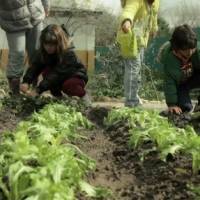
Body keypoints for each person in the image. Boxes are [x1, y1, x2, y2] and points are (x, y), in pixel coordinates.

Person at [20, 24, 90, 104]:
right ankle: (59, 100)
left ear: (59, 42)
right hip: (58, 76)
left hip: (76, 76)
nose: (48, 47)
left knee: (68, 84)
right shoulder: (43, 52)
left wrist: (38, 90)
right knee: (47, 72)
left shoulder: (68, 54)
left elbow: (57, 74)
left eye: (52, 44)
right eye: (45, 44)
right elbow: (35, 66)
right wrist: (26, 82)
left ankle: (85, 98)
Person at [0, 0, 50, 95]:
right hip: (13, 20)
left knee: (37, 53)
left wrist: (46, 5)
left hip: (35, 14)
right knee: (18, 53)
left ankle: (37, 90)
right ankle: (15, 93)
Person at [118, 0, 160, 107]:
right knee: (133, 69)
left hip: (141, 40)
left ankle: (134, 96)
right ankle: (131, 101)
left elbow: (154, 14)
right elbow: (129, 10)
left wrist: (154, 28)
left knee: (137, 68)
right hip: (130, 39)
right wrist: (126, 21)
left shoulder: (156, 2)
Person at [158, 24, 200, 114]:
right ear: (175, 49)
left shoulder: (197, 51)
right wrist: (172, 104)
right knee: (185, 108)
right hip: (181, 84)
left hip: (196, 76)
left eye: (191, 49)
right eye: (185, 51)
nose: (189, 52)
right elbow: (169, 82)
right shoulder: (170, 59)